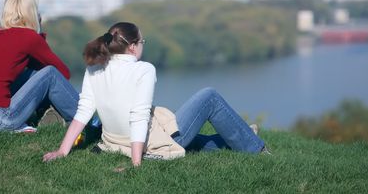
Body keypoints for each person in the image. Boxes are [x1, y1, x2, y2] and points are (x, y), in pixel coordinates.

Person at [43, 22, 268, 166]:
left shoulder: (94, 67)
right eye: (142, 41)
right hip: (145, 142)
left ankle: (244, 133)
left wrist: (63, 151)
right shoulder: (144, 69)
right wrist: (136, 162)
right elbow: (139, 116)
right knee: (209, 96)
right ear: (132, 47)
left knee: (198, 140)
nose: (142, 45)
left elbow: (83, 112)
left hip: (113, 140)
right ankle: (256, 148)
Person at [0, 0, 80, 132]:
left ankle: (48, 112)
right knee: (51, 73)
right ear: (32, 13)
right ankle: (83, 120)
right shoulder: (30, 37)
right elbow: (63, 73)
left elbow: (34, 67)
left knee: (35, 73)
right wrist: (39, 33)